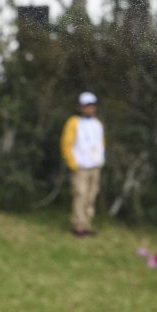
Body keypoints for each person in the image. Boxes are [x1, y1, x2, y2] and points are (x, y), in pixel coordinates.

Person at [60, 91, 105, 237]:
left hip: (95, 167)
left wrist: (100, 160)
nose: (89, 108)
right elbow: (66, 144)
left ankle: (86, 225)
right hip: (80, 167)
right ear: (80, 107)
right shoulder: (74, 122)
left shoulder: (97, 124)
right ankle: (78, 226)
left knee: (91, 197)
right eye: (86, 106)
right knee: (80, 195)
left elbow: (101, 143)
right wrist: (73, 163)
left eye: (91, 105)